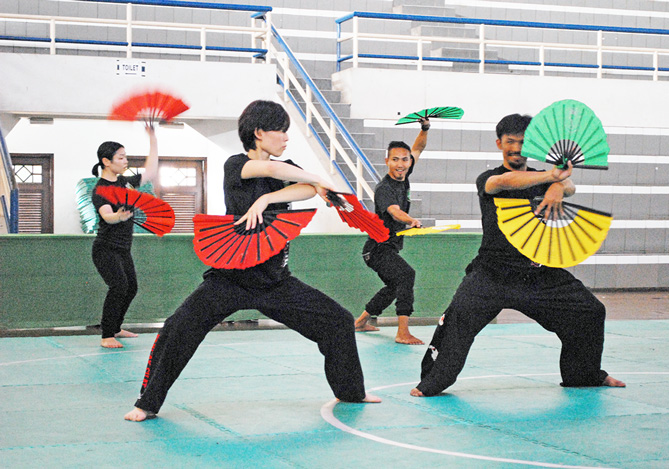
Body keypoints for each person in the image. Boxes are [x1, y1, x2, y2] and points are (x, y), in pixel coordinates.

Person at [125, 100, 380, 422]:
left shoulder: (285, 170)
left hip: (275, 281)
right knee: (178, 328)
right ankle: (146, 403)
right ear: (259, 133)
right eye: (281, 131)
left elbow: (307, 191)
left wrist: (268, 197)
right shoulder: (235, 164)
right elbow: (276, 170)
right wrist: (315, 176)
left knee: (338, 321)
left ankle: (350, 391)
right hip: (230, 279)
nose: (287, 138)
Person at [411, 113, 625, 397]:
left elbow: (571, 187)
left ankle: (584, 375)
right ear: (499, 143)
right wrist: (553, 177)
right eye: (510, 141)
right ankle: (432, 382)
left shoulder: (546, 179)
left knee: (589, 311)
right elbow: (506, 182)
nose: (516, 148)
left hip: (538, 272)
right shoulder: (489, 178)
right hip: (492, 273)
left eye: (523, 142)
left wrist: (559, 186)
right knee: (457, 319)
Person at [354, 117, 430, 345]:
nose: (400, 164)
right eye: (395, 159)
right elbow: (395, 212)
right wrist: (412, 220)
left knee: (394, 285)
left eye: (404, 160)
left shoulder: (404, 175)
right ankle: (402, 332)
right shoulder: (384, 188)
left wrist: (425, 128)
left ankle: (360, 322)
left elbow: (419, 147)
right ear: (387, 161)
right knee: (407, 275)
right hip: (377, 249)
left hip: (387, 248)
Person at [91, 125, 158, 349]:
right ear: (106, 161)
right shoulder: (101, 189)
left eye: (126, 156)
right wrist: (118, 217)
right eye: (121, 157)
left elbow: (151, 170)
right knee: (118, 286)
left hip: (122, 248)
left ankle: (116, 327)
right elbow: (107, 216)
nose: (125, 161)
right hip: (105, 249)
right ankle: (107, 335)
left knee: (131, 288)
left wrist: (153, 139)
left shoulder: (126, 182)